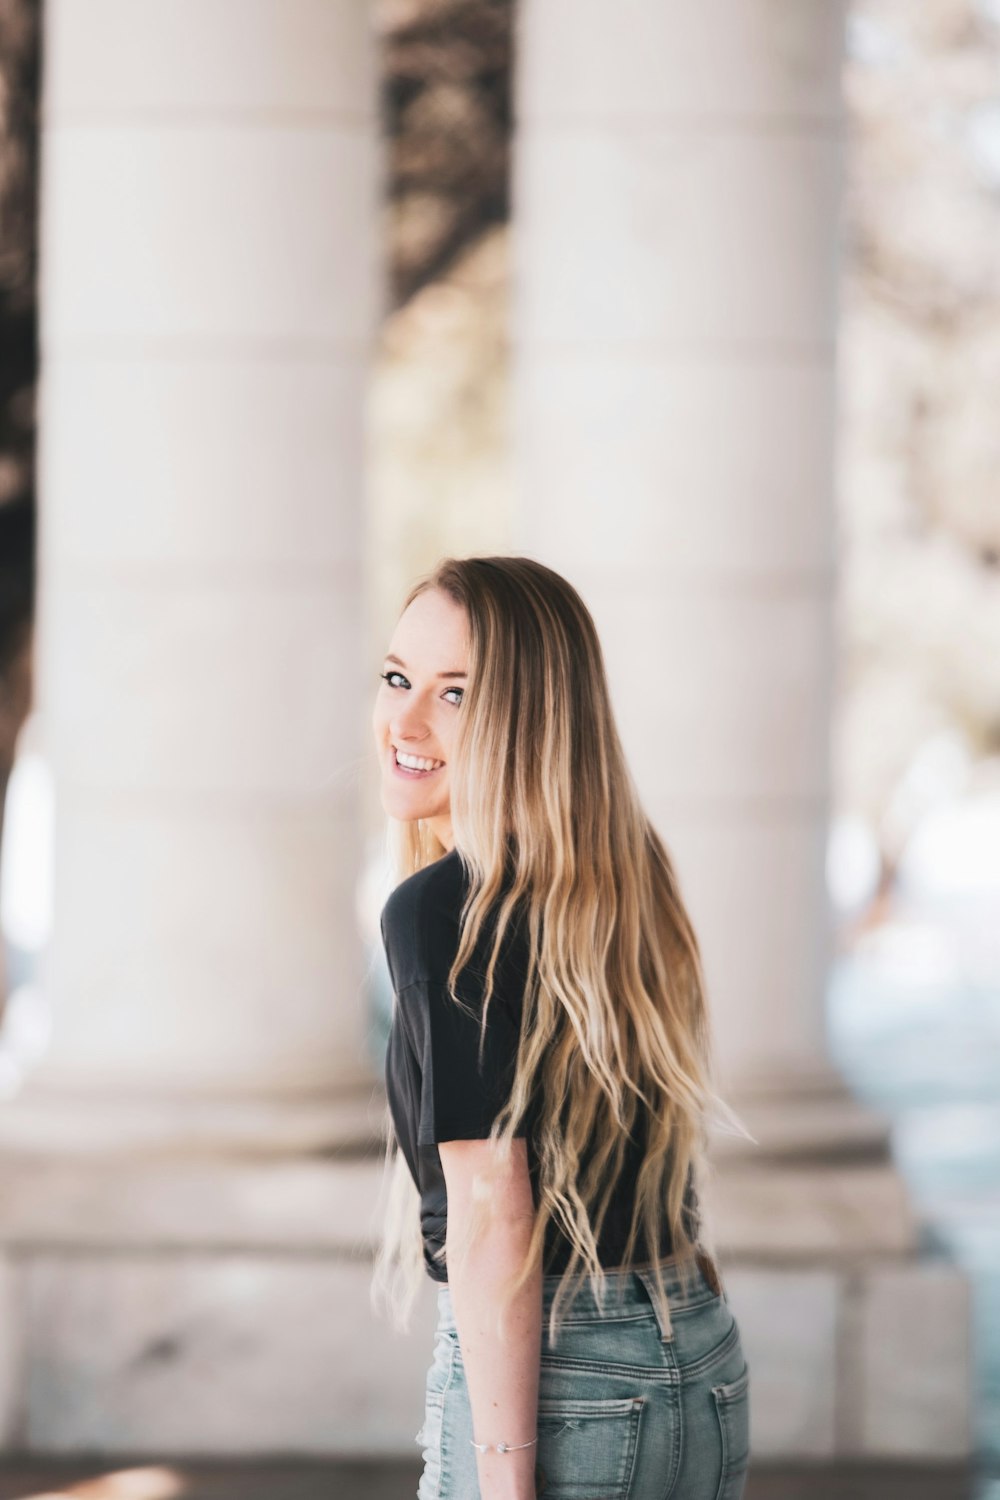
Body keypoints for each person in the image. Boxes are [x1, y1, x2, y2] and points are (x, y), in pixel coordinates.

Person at [370, 555, 752, 1500]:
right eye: (396, 679)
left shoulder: (442, 910)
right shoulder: (627, 877)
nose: (406, 723)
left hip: (564, 1383)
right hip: (697, 1355)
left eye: (456, 694)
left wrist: (504, 1485)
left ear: (526, 717)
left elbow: (496, 1204)